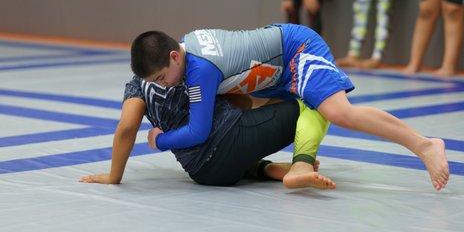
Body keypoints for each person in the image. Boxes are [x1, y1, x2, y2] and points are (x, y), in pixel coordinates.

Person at [130, 23, 450, 191]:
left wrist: (159, 140)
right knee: (301, 108)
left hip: (295, 49)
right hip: (274, 70)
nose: (164, 86)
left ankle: (425, 145)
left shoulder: (199, 70)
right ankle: (301, 164)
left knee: (339, 111)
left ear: (175, 56)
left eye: (161, 77)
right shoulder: (188, 47)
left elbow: (198, 131)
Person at [80, 76, 335, 189]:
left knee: (235, 144)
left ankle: (263, 169)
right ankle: (301, 164)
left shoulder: (136, 85)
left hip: (203, 174)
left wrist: (114, 176)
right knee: (318, 101)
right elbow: (243, 103)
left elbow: (127, 127)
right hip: (234, 140)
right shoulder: (196, 69)